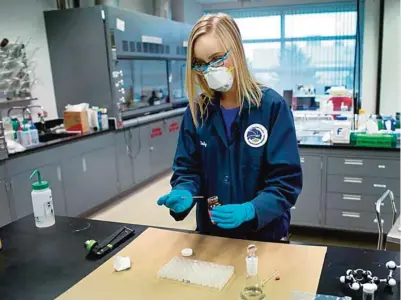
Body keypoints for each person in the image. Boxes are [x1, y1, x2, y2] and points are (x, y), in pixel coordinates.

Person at [157, 13, 302, 242]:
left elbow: (285, 181)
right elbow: (188, 169)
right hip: (213, 234)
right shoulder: (198, 112)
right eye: (202, 64)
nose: (210, 70)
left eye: (217, 59)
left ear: (237, 51)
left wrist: (251, 210)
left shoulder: (271, 108)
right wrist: (184, 190)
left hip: (264, 235)